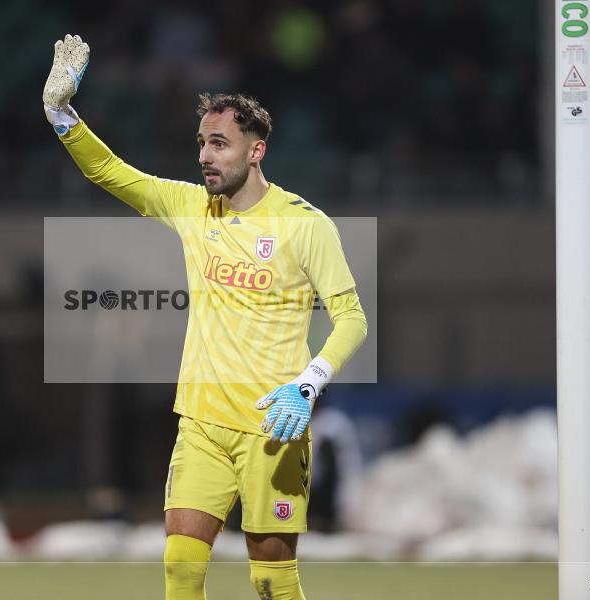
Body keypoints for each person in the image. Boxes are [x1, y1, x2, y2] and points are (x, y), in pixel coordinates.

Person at [43, 35, 368, 600]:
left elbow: (352, 319)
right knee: (181, 565)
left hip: (273, 426)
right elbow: (113, 173)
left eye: (219, 143)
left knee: (271, 578)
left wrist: (307, 386)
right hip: (201, 424)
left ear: (256, 150)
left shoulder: (306, 225)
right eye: (201, 143)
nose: (205, 156)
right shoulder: (194, 208)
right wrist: (61, 114)